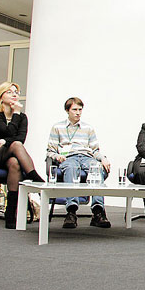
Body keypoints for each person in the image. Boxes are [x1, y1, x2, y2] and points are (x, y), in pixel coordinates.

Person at [0, 82, 45, 228]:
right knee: (15, 145)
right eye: (10, 92)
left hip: (5, 157)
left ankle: (10, 213)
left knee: (15, 163)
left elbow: (21, 139)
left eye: (16, 92)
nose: (14, 95)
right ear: (1, 96)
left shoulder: (23, 117)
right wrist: (15, 114)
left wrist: (4, 141)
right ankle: (34, 176)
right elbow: (9, 133)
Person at [46, 97, 112, 229]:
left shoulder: (88, 128)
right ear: (67, 111)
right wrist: (57, 156)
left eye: (80, 110)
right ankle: (71, 211)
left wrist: (103, 158)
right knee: (71, 168)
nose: (78, 113)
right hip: (68, 157)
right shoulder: (57, 127)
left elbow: (95, 150)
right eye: (74, 110)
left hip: (86, 156)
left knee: (97, 167)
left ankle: (98, 211)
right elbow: (50, 151)